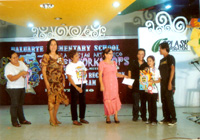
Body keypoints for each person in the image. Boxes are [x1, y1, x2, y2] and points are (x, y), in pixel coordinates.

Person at [41, 39, 69, 126]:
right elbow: (43, 70)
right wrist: (46, 82)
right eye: (51, 45)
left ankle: (54, 117)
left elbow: (62, 69)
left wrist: (63, 80)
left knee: (58, 101)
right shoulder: (46, 56)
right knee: (51, 101)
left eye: (55, 44)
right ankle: (51, 119)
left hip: (59, 82)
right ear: (49, 46)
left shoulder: (60, 57)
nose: (53, 46)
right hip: (51, 82)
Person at [98, 48, 128, 124]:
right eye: (110, 53)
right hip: (106, 83)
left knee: (115, 98)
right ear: (105, 54)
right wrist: (101, 85)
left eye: (112, 53)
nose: (112, 55)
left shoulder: (114, 63)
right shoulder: (102, 63)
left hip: (114, 83)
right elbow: (100, 75)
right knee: (107, 99)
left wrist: (123, 76)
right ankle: (108, 117)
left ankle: (116, 116)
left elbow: (116, 73)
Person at [4, 50, 31, 127]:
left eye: (17, 57)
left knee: (20, 104)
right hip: (13, 88)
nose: (16, 59)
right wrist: (20, 74)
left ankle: (22, 120)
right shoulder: (8, 67)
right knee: (15, 105)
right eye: (14, 58)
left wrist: (25, 74)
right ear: (9, 58)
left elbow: (27, 71)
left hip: (21, 86)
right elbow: (11, 78)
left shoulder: (21, 63)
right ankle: (14, 121)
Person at [65, 50, 89, 126]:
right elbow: (69, 78)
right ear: (71, 57)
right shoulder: (69, 66)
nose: (78, 57)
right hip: (75, 85)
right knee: (74, 102)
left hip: (82, 83)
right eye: (76, 56)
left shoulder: (81, 63)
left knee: (83, 101)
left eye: (78, 55)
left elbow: (85, 71)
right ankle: (74, 119)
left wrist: (84, 72)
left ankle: (82, 117)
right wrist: (76, 87)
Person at [158, 42, 177, 126]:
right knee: (164, 101)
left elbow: (173, 69)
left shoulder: (170, 58)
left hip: (169, 83)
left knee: (169, 101)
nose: (159, 50)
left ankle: (173, 118)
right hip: (163, 84)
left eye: (160, 48)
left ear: (165, 49)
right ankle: (166, 117)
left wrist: (170, 83)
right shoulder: (161, 60)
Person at [128, 48, 148, 121]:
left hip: (143, 85)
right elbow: (129, 72)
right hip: (135, 84)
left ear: (144, 55)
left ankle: (144, 116)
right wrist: (129, 83)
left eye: (142, 54)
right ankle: (135, 116)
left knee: (143, 102)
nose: (141, 55)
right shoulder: (133, 62)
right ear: (137, 55)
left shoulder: (146, 64)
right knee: (135, 102)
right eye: (139, 54)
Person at [146, 55, 160, 125]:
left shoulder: (157, 70)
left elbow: (159, 80)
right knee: (149, 105)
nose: (149, 62)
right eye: (148, 61)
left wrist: (153, 81)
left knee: (153, 105)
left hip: (154, 90)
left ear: (154, 61)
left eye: (150, 61)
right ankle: (150, 119)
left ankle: (154, 119)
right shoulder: (146, 70)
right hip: (148, 90)